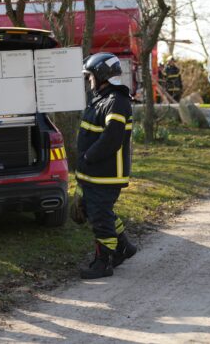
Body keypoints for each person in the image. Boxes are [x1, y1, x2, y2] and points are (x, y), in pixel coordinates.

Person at [76, 52, 137, 280]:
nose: (89, 81)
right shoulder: (103, 98)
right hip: (95, 173)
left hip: (106, 173)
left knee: (100, 217)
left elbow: (112, 139)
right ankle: (124, 248)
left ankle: (103, 263)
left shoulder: (116, 101)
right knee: (101, 212)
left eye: (90, 76)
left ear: (101, 75)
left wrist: (88, 157)